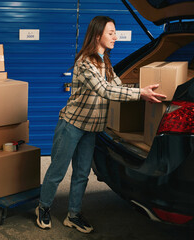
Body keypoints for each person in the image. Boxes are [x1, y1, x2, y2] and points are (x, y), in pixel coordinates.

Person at [35, 16, 166, 234]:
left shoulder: (105, 61)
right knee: (57, 170)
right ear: (98, 35)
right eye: (111, 32)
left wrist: (143, 88)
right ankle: (43, 208)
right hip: (72, 124)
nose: (116, 37)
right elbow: (104, 91)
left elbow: (116, 84)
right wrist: (138, 94)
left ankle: (73, 215)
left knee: (82, 174)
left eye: (115, 32)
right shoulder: (85, 62)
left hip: (92, 128)